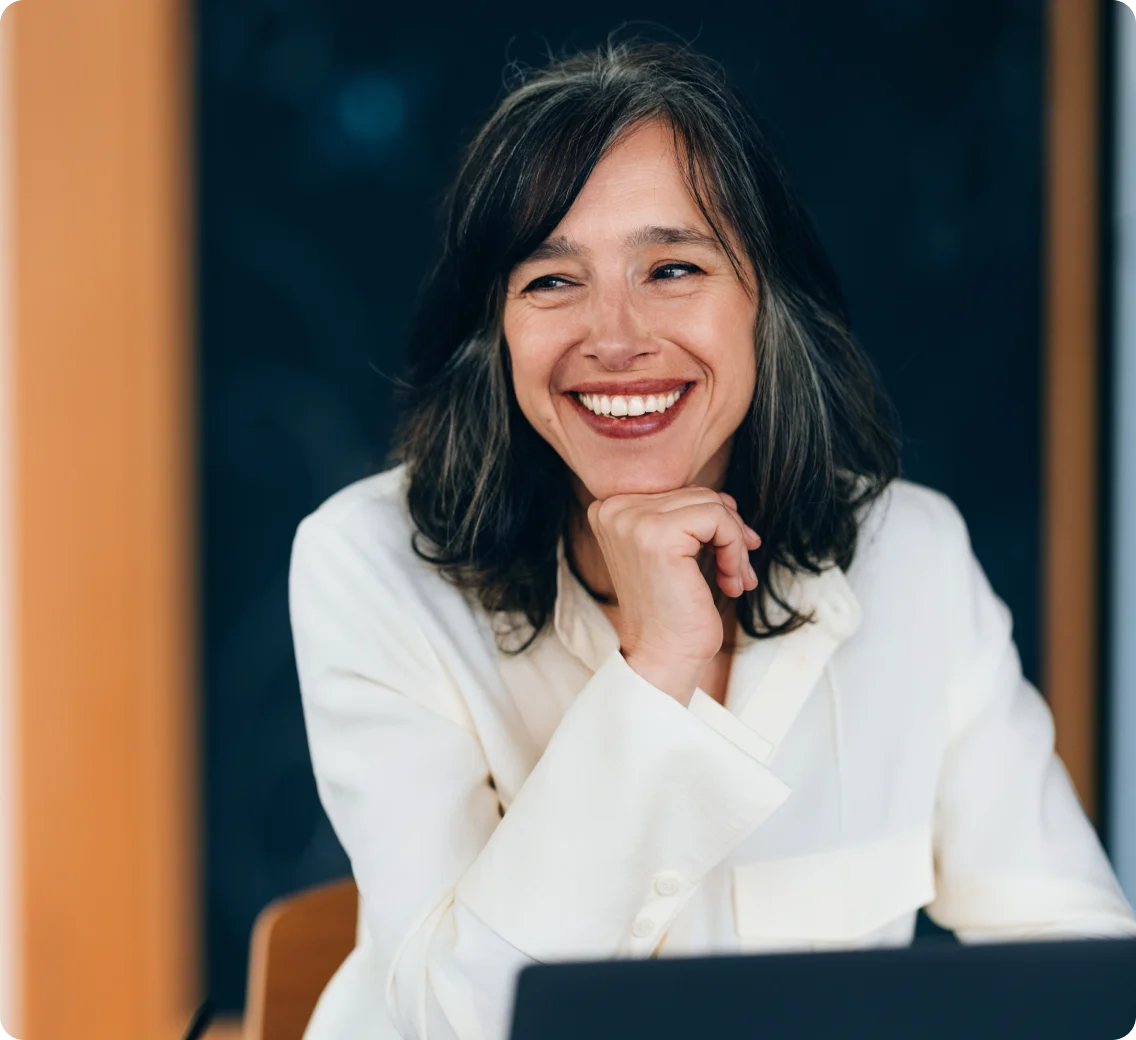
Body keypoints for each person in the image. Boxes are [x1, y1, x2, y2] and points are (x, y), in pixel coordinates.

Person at [287, 40, 1136, 1040]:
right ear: (496, 332)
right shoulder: (367, 561)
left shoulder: (913, 554)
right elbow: (452, 1021)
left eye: (672, 267)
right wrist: (656, 672)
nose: (614, 334)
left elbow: (1069, 960)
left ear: (763, 303)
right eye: (551, 282)